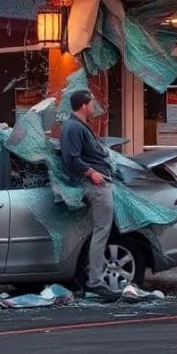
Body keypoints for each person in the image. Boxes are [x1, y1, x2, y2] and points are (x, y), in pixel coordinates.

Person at [59, 89, 119, 301]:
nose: (94, 106)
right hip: (95, 187)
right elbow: (71, 159)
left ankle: (83, 279)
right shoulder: (73, 127)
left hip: (97, 184)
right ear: (84, 105)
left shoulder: (79, 126)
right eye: (92, 103)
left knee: (93, 233)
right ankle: (95, 282)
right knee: (102, 232)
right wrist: (92, 173)